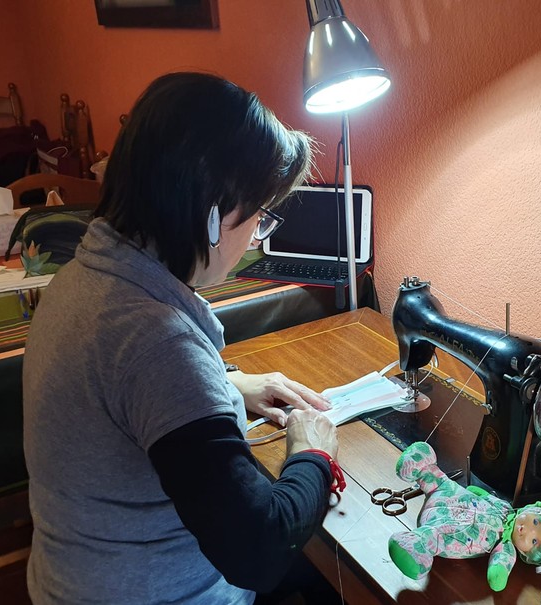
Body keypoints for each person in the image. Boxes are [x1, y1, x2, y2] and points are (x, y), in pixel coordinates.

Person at [23, 72, 341, 604]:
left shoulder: (81, 279)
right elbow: (258, 550)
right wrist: (313, 453)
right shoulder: (158, 342)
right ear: (212, 211)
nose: (256, 237)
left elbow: (119, 388)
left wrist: (227, 383)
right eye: (260, 216)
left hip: (70, 582)